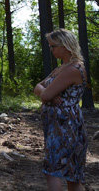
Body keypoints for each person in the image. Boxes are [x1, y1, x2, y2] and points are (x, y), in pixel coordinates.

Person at [34, 29, 88, 191]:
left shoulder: (73, 69)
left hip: (66, 127)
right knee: (68, 172)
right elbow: (38, 87)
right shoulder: (61, 68)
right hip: (57, 127)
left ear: (65, 46)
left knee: (56, 171)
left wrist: (47, 93)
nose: (51, 50)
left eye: (53, 46)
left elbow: (44, 94)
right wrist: (46, 93)